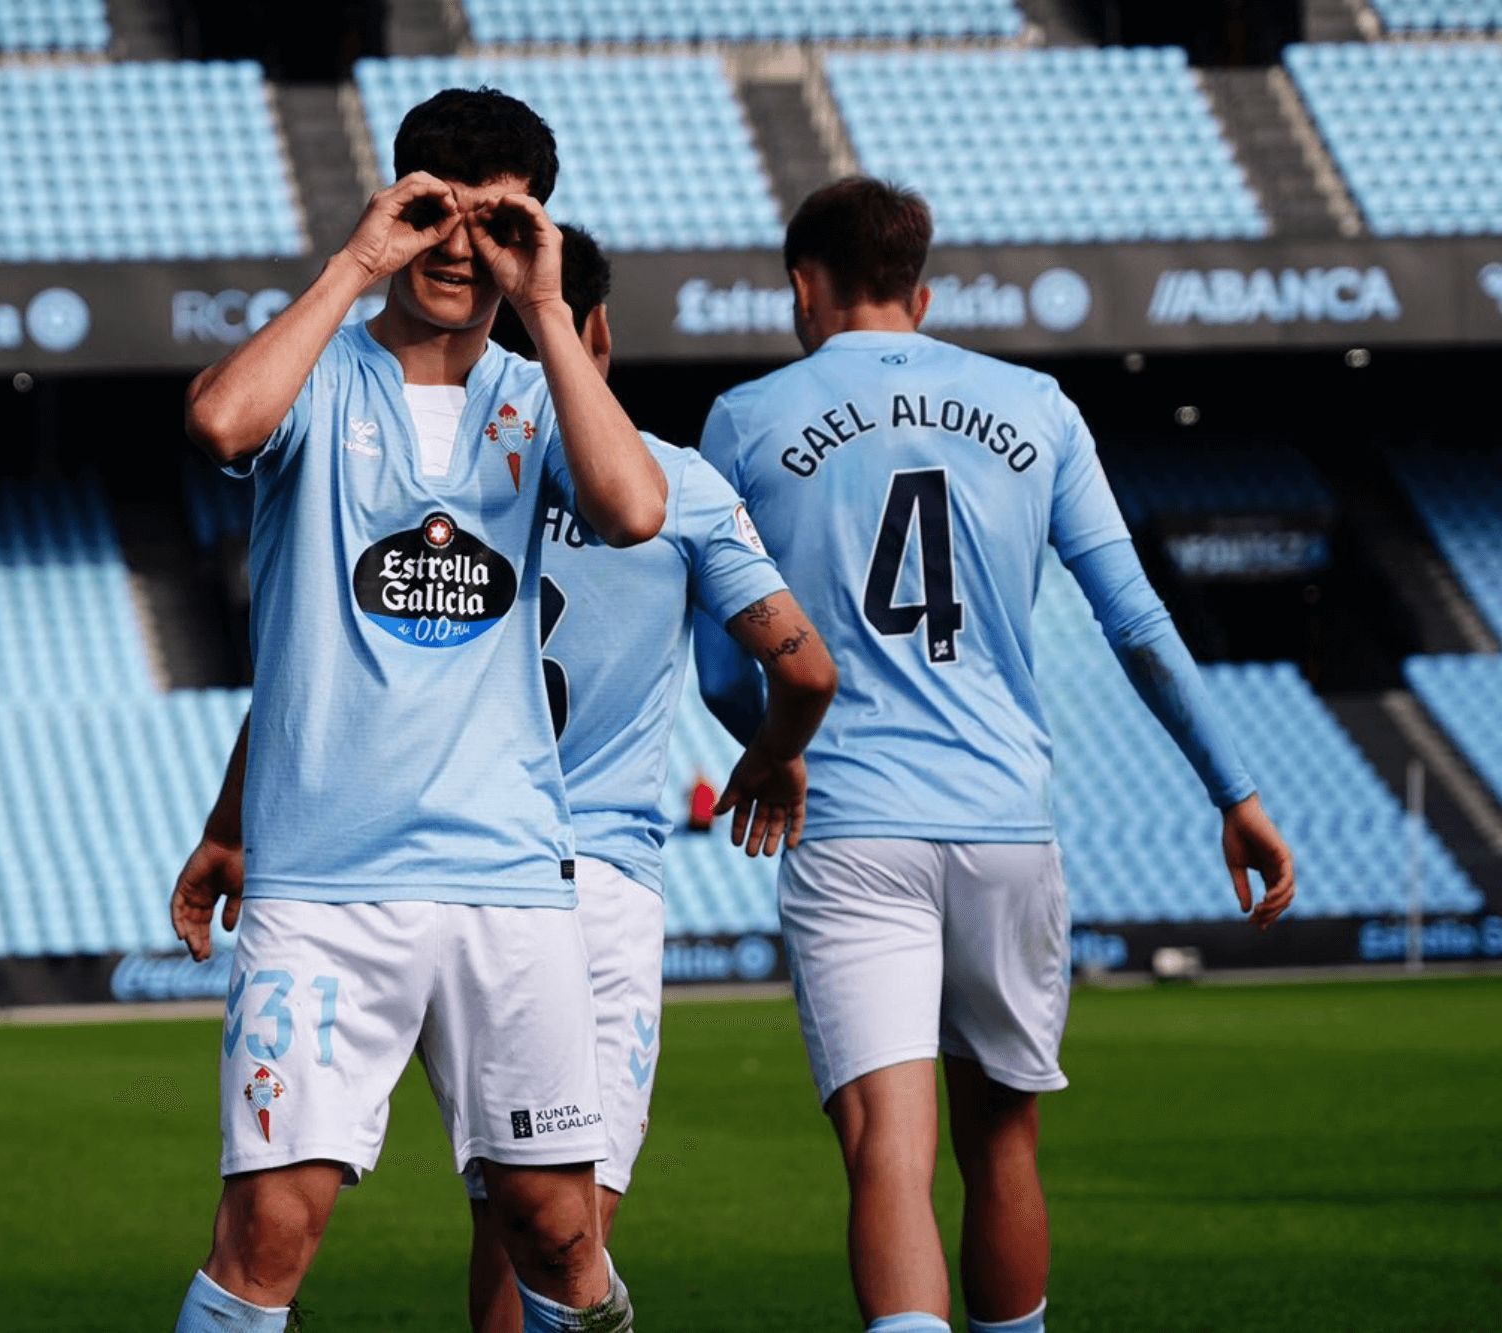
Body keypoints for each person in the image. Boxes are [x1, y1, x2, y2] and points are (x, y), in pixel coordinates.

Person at [180, 223, 838, 1332]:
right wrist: (770, 749)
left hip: (396, 842)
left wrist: (233, 816)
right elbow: (803, 663)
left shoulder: (441, 438)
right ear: (597, 333)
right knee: (553, 1235)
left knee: (286, 1223)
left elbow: (314, 652)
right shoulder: (665, 479)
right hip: (575, 884)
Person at [695, 176, 1297, 1333]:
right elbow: (1136, 624)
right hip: (1006, 822)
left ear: (801, 290)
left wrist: (771, 750)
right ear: (919, 294)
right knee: (1003, 1138)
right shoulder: (1039, 407)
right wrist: (1236, 790)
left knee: (887, 1149)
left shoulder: (745, 418)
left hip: (854, 821)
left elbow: (725, 664)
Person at [170, 88, 667, 1333]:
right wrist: (353, 264)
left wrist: (547, 306)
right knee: (267, 1230)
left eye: (490, 218)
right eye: (432, 209)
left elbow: (632, 510)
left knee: (556, 1230)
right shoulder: (319, 368)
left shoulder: (535, 389)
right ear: (395, 202)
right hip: (326, 883)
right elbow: (219, 420)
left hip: (507, 875)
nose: (456, 246)